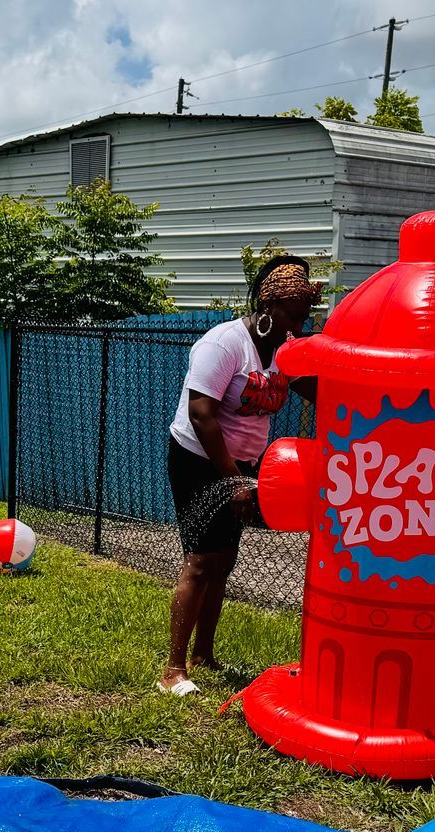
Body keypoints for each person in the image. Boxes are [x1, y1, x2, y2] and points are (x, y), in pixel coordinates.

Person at [160, 255, 322, 697]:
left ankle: (204, 655)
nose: (297, 326)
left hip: (244, 465)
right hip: (198, 458)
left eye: (304, 319)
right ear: (268, 307)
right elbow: (201, 415)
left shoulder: (285, 351)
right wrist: (234, 481)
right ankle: (173, 669)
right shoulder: (225, 343)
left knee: (225, 562)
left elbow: (317, 389)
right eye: (292, 316)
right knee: (201, 561)